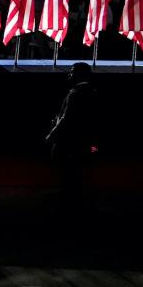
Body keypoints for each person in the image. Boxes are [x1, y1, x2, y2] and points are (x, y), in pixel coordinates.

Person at [47, 62, 98, 195]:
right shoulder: (92, 92)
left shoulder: (76, 93)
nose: (69, 74)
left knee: (64, 163)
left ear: (80, 74)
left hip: (70, 138)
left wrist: (53, 133)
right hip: (83, 138)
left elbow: (67, 117)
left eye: (72, 71)